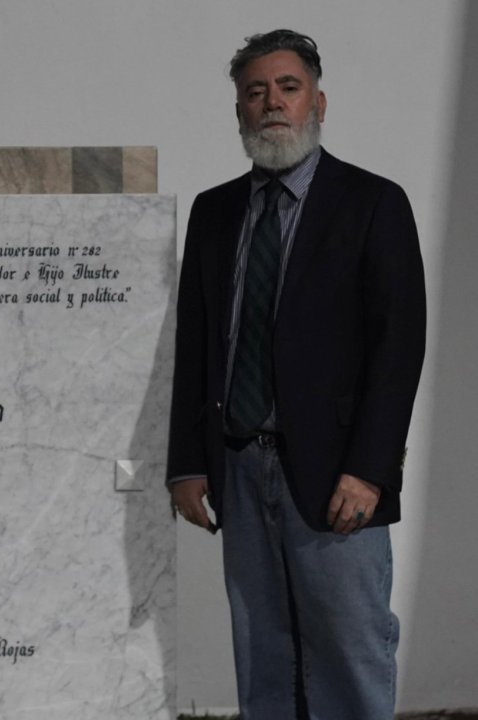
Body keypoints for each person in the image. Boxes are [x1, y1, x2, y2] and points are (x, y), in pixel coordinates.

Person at [167, 30, 426, 719]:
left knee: (349, 645)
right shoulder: (214, 212)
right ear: (239, 111)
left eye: (288, 87)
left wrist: (369, 470)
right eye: (255, 92)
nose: (272, 103)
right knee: (264, 653)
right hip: (238, 466)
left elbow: (399, 347)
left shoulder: (373, 203)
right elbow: (197, 342)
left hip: (338, 472)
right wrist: (187, 461)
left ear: (319, 102)